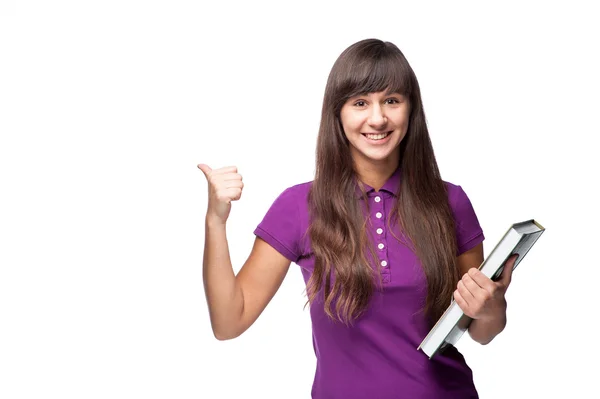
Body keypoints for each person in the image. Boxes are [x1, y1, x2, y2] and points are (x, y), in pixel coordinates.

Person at [198, 38, 518, 399]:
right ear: (338, 112)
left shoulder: (451, 202)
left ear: (411, 110)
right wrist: (216, 221)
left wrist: (492, 306)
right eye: (360, 103)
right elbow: (229, 322)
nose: (378, 118)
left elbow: (482, 331)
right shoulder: (298, 205)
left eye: (392, 101)